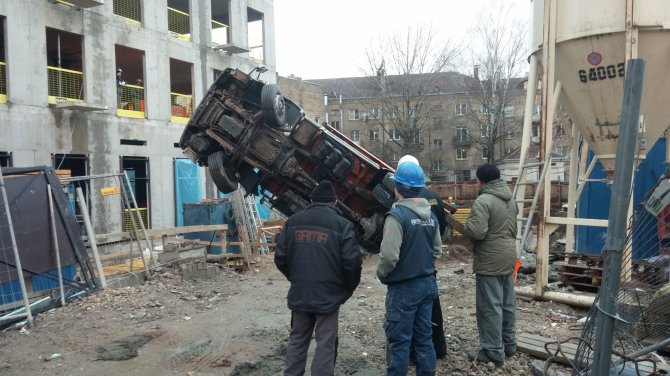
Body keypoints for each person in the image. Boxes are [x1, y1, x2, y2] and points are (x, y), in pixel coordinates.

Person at [274, 180, 362, 376]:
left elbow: (280, 257)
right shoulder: (343, 225)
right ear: (335, 203)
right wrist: (345, 290)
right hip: (329, 297)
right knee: (325, 343)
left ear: (311, 200)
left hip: (300, 293)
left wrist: (297, 278)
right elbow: (352, 264)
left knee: (297, 340)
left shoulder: (293, 222)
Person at [378, 161, 442, 376]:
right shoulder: (430, 216)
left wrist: (383, 273)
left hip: (404, 288)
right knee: (424, 338)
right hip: (427, 284)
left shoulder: (397, 216)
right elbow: (437, 251)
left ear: (397, 188)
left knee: (399, 342)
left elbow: (388, 257)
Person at [464, 163, 518, 367]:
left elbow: (477, 232)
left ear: (481, 180)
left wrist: (467, 225)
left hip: (489, 259)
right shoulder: (510, 199)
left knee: (490, 306)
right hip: (508, 255)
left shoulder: (483, 200)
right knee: (507, 303)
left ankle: (493, 351)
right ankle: (509, 344)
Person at [396, 155, 448, 360]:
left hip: (407, 266)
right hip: (428, 264)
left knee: (405, 312)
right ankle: (438, 348)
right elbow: (441, 226)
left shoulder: (401, 202)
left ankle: (409, 353)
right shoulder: (434, 196)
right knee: (431, 308)